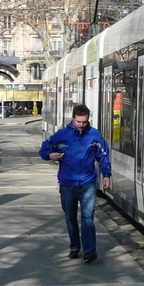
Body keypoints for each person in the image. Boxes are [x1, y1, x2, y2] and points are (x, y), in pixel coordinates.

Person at [40, 103, 112, 264]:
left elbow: (103, 156)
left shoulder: (94, 135)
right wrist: (50, 155)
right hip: (68, 184)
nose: (81, 125)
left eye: (84, 122)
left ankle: (89, 250)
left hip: (87, 183)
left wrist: (106, 174)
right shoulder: (62, 135)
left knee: (87, 217)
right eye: (79, 122)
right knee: (70, 217)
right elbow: (44, 148)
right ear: (73, 119)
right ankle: (74, 247)